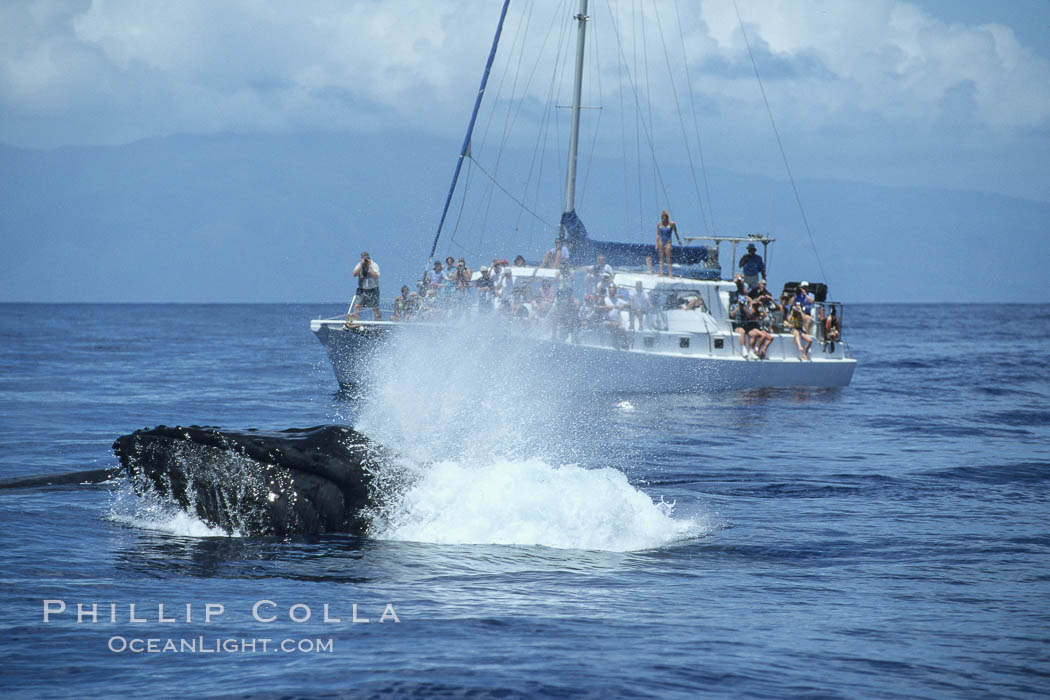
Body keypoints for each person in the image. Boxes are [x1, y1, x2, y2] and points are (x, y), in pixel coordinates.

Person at [349, 251, 381, 321]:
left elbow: (375, 276)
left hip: (373, 289)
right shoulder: (359, 265)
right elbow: (354, 274)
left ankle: (378, 323)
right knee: (357, 306)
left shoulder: (374, 265)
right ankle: (356, 322)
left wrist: (369, 266)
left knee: (375, 309)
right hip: (362, 290)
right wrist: (361, 265)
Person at [656, 210, 682, 277]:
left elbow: (676, 232)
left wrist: (678, 240)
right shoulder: (659, 224)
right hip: (661, 242)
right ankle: (660, 272)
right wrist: (656, 244)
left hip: (668, 242)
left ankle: (670, 273)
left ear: (667, 217)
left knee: (668, 258)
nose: (663, 218)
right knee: (661, 257)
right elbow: (658, 234)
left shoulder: (672, 223)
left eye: (664, 217)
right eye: (662, 217)